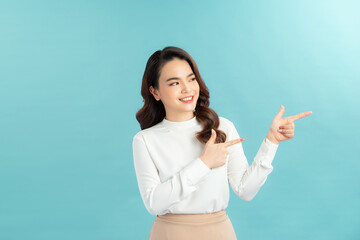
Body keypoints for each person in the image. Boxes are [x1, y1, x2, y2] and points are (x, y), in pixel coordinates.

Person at [132, 46, 312, 240]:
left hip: (219, 233)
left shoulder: (221, 127)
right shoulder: (145, 140)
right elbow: (153, 203)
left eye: (191, 79)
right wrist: (203, 164)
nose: (187, 88)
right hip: (168, 234)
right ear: (155, 92)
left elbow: (245, 190)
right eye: (174, 83)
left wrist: (272, 141)